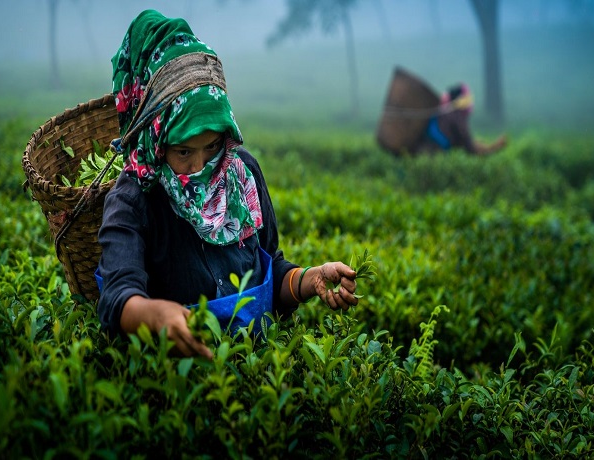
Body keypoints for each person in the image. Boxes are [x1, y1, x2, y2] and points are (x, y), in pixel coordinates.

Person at [97, 9, 359, 359]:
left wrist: (309, 279)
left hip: (256, 376)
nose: (200, 165)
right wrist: (154, 315)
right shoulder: (134, 199)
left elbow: (269, 270)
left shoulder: (242, 174)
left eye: (213, 147)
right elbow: (117, 298)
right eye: (183, 151)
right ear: (155, 140)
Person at [415, 83, 507, 156]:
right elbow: (469, 146)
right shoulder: (457, 116)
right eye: (467, 99)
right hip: (432, 152)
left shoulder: (446, 112)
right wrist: (494, 147)